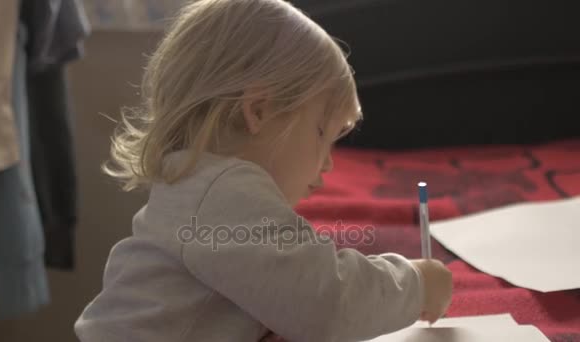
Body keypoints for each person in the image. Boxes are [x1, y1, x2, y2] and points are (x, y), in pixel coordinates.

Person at [74, 0, 452, 341]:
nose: (328, 162)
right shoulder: (223, 190)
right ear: (258, 111)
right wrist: (416, 283)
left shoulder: (196, 188)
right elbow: (326, 302)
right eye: (322, 133)